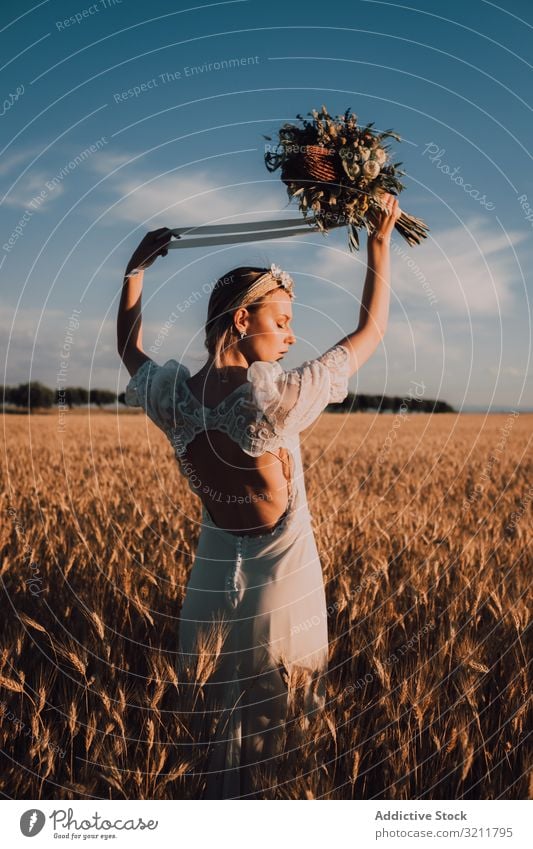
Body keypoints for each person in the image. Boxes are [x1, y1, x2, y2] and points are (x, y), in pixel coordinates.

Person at [117, 193, 401, 799]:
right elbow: (371, 331)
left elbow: (128, 351)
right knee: (282, 737)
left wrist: (134, 273)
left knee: (212, 729)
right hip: (284, 577)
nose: (293, 337)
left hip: (213, 579)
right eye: (282, 320)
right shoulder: (277, 401)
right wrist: (379, 242)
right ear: (242, 321)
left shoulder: (172, 399)